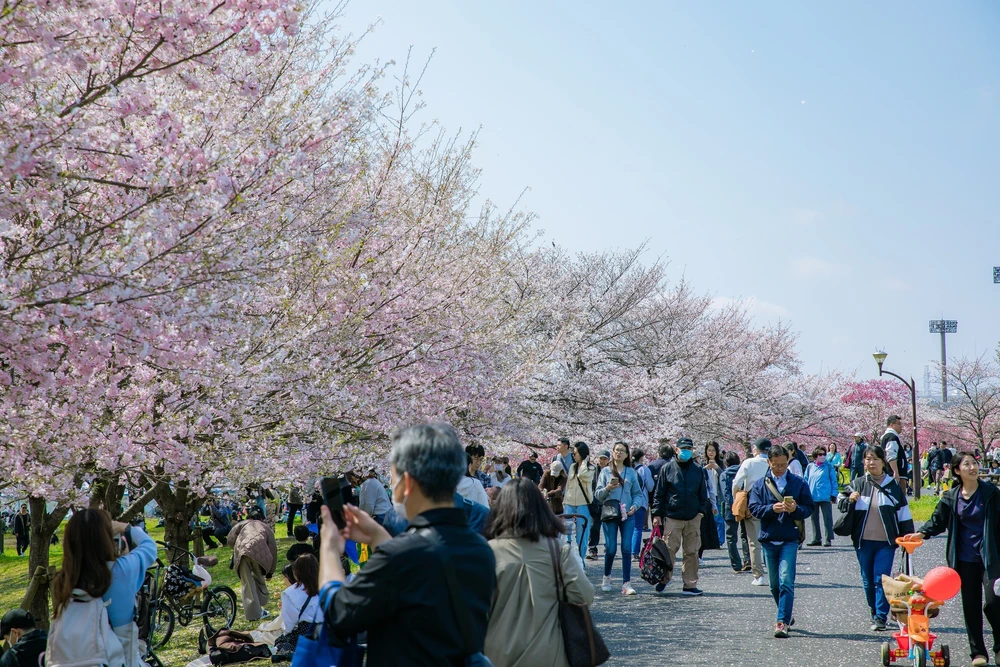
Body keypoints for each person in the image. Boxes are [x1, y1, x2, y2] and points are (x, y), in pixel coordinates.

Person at [318, 422, 495, 666]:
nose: (391, 484)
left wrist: (329, 549)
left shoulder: (402, 555)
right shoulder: (481, 550)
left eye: (393, 475)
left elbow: (339, 614)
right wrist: (379, 538)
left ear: (407, 483)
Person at [483, 478, 595, 667]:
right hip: (548, 653)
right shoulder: (557, 550)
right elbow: (585, 595)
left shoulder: (487, 552)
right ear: (541, 509)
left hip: (497, 654)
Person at [907, 452, 1000, 667]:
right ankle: (978, 653)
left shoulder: (991, 493)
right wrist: (921, 533)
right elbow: (937, 521)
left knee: (994, 602)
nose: (973, 467)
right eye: (967, 464)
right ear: (957, 470)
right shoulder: (951, 497)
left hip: (991, 558)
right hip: (964, 560)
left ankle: (999, 646)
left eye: (974, 463)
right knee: (971, 605)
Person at [51, 509, 156, 666]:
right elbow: (149, 547)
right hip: (122, 661)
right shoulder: (123, 570)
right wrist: (127, 528)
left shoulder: (63, 580)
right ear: (106, 539)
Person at [838, 444, 913, 632]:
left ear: (883, 462)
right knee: (867, 580)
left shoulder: (892, 486)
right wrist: (850, 499)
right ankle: (874, 610)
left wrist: (908, 537)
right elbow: (840, 501)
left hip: (886, 542)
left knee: (881, 578)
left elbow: (903, 513)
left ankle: (881, 616)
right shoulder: (857, 483)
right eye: (868, 459)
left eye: (875, 459)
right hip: (862, 541)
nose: (871, 462)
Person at [748, 445, 815, 638]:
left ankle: (782, 622)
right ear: (768, 462)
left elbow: (809, 508)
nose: (779, 468)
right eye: (775, 465)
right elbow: (754, 508)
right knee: (774, 585)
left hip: (789, 538)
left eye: (783, 465)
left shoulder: (798, 482)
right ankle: (785, 612)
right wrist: (771, 509)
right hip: (769, 538)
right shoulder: (760, 484)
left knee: (786, 581)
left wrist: (795, 509)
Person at [651, 437, 709, 595]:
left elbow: (703, 494)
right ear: (676, 450)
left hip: (693, 517)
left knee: (692, 552)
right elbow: (659, 493)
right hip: (672, 516)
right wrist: (656, 514)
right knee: (669, 550)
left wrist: (701, 512)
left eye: (689, 449)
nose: (686, 451)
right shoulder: (667, 468)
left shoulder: (698, 470)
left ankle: (690, 585)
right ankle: (664, 579)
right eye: (683, 449)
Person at [595, 440, 642, 595]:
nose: (619, 452)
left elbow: (638, 494)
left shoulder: (631, 472)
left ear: (627, 454)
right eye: (616, 450)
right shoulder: (605, 472)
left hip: (628, 514)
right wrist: (608, 487)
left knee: (627, 548)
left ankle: (626, 583)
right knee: (611, 549)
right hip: (610, 514)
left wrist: (635, 506)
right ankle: (606, 577)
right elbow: (598, 495)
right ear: (613, 452)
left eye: (622, 450)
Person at [733, 437, 774, 586]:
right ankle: (774, 573)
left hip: (753, 503)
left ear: (755, 449)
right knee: (771, 540)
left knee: (754, 542)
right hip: (772, 504)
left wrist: (737, 496)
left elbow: (736, 483)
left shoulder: (749, 462)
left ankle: (759, 576)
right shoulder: (774, 462)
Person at [228, 515, 278, 622]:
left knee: (247, 584)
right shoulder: (265, 527)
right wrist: (270, 572)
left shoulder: (241, 524)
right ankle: (261, 604)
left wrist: (235, 548)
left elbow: (230, 540)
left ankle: (253, 615)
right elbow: (273, 549)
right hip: (259, 554)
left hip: (242, 552)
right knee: (259, 578)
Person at [562, 441, 596, 563]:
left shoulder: (591, 468)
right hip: (569, 503)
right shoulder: (572, 467)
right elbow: (568, 485)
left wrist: (585, 462)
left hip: (583, 504)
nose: (573, 455)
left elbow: (582, 475)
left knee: (582, 535)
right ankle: (567, 562)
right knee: (566, 534)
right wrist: (564, 502)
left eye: (575, 453)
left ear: (582, 453)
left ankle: (581, 562)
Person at [720, 451, 752, 573]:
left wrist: (732, 505)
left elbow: (725, 493)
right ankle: (748, 560)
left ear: (726, 462)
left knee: (731, 537)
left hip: (730, 508)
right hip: (744, 506)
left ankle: (736, 565)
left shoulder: (724, 474)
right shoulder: (743, 471)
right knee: (745, 535)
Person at [279, 554, 322, 636]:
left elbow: (289, 625)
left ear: (296, 572)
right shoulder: (329, 586)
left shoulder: (289, 593)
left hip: (307, 636)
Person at [805, 445, 838, 547]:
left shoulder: (828, 466)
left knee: (827, 518)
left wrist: (834, 494)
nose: (823, 456)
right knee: (814, 519)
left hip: (825, 496)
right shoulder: (810, 467)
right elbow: (805, 480)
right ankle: (816, 538)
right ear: (815, 456)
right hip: (812, 496)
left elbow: (834, 481)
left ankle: (828, 539)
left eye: (824, 454)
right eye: (820, 454)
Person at [630, 447, 655, 558]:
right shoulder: (644, 469)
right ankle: (634, 552)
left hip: (627, 502)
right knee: (637, 528)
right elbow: (650, 487)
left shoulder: (627, 468)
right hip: (640, 501)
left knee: (628, 528)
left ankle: (627, 550)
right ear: (641, 458)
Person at [702, 441, 726, 554]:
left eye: (713, 450)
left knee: (719, 519)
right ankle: (709, 541)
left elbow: (725, 476)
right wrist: (705, 468)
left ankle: (720, 541)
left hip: (718, 495)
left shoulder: (721, 463)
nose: (711, 452)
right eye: (709, 450)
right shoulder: (702, 463)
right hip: (707, 495)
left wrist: (717, 468)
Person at [587, 449, 611, 560]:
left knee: (608, 527)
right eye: (601, 458)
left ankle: (608, 547)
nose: (602, 461)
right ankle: (592, 548)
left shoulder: (611, 471)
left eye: (605, 459)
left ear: (608, 460)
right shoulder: (592, 471)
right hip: (595, 503)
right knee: (594, 527)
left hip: (608, 503)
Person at [882, 415, 907, 491]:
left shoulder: (889, 436)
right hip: (895, 473)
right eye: (898, 424)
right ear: (891, 425)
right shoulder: (892, 437)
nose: (901, 426)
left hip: (893, 472)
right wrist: (895, 472)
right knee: (899, 495)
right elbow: (891, 455)